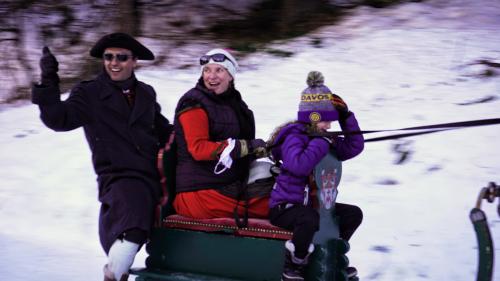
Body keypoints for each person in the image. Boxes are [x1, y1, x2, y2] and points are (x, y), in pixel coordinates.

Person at [31, 32, 173, 281]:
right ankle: (114, 274)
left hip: (152, 174)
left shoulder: (147, 93)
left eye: (121, 57)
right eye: (108, 57)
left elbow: (164, 131)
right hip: (118, 176)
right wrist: (49, 79)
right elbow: (58, 119)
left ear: (134, 61)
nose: (113, 63)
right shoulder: (90, 93)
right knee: (132, 222)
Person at [268, 71, 364, 281]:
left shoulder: (321, 137)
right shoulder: (294, 136)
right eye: (326, 121)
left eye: (332, 120)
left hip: (315, 204)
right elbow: (297, 165)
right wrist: (321, 141)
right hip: (286, 206)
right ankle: (294, 266)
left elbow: (353, 147)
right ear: (313, 118)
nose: (330, 126)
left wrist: (346, 117)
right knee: (309, 218)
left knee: (353, 214)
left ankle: (331, 256)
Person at [172, 48, 269, 222]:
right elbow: (198, 149)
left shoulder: (238, 106)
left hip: (228, 184)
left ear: (231, 75)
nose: (211, 76)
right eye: (207, 70)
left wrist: (261, 149)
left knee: (282, 189)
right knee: (276, 204)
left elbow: (242, 148)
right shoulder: (194, 103)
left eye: (219, 70)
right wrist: (244, 147)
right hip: (200, 193)